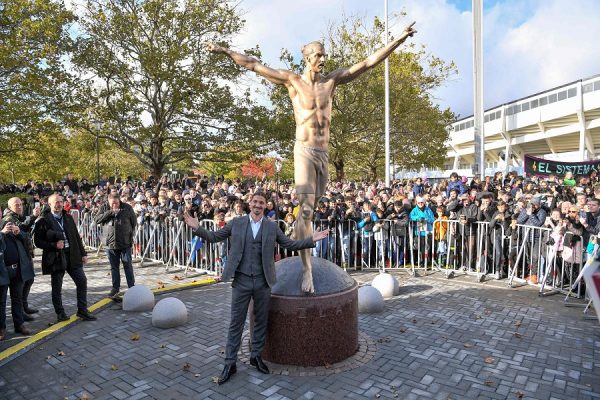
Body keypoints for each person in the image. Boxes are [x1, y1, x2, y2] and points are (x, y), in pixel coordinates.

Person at [206, 21, 417, 293]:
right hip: (304, 150)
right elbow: (253, 64)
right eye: (318, 55)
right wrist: (223, 50)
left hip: (323, 153)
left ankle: (297, 235)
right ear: (306, 57)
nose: (323, 59)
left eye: (324, 54)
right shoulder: (292, 82)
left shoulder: (331, 82)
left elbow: (367, 63)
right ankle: (306, 271)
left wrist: (399, 38)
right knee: (305, 210)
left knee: (312, 209)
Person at [182, 191, 328, 385]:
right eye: (255, 201)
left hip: (263, 281)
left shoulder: (271, 227)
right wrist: (197, 228)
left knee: (261, 320)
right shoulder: (237, 223)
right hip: (241, 281)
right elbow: (214, 236)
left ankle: (256, 356)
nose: (258, 205)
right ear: (250, 204)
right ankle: (229, 363)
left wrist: (311, 239)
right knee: (236, 322)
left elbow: (289, 244)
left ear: (265, 206)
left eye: (261, 202)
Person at [33, 194, 96, 322]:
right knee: (57, 287)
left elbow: (76, 237)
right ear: (49, 204)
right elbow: (37, 242)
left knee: (82, 281)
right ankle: (60, 313)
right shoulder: (43, 220)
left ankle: (82, 311)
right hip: (56, 257)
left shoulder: (67, 217)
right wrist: (54, 245)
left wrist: (83, 254)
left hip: (72, 255)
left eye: (61, 202)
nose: (59, 204)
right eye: (56, 202)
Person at [1, 197, 41, 319]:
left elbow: (25, 227)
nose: (19, 206)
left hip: (25, 253)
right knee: (23, 283)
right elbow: (21, 229)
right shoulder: (9, 218)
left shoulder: (18, 216)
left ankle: (24, 307)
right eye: (16, 205)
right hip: (19, 256)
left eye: (20, 204)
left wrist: (33, 217)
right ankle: (21, 312)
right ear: (10, 207)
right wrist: (33, 217)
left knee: (29, 280)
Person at [95, 194, 138, 297]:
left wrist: (128, 233)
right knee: (114, 267)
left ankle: (132, 287)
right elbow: (97, 220)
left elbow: (134, 222)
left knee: (127, 264)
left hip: (124, 242)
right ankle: (115, 288)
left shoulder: (127, 207)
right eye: (112, 203)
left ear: (119, 201)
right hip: (110, 243)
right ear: (109, 202)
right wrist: (110, 212)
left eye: (116, 203)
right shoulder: (104, 207)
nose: (115, 205)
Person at [0, 221, 33, 339]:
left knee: (17, 299)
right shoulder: (3, 230)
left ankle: (19, 324)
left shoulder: (8, 223)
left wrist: (19, 233)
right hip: (2, 271)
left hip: (17, 270)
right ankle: (1, 329)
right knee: (1, 302)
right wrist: (1, 233)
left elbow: (26, 240)